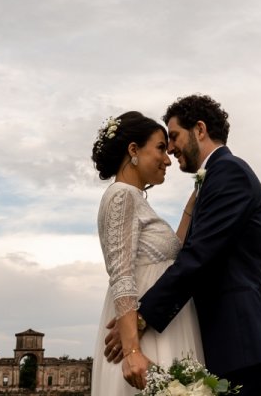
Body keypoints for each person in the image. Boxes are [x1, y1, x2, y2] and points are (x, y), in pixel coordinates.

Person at [106, 95, 261, 396]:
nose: (170, 148)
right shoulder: (215, 179)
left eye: (174, 136)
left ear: (200, 129)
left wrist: (140, 318)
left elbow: (198, 259)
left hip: (246, 345)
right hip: (230, 346)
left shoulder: (230, 173)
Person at [90, 111, 205, 394]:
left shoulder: (134, 199)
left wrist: (194, 200)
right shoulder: (122, 196)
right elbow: (122, 275)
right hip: (143, 341)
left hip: (161, 327)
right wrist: (132, 352)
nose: (167, 159)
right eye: (160, 149)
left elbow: (170, 257)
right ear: (133, 150)